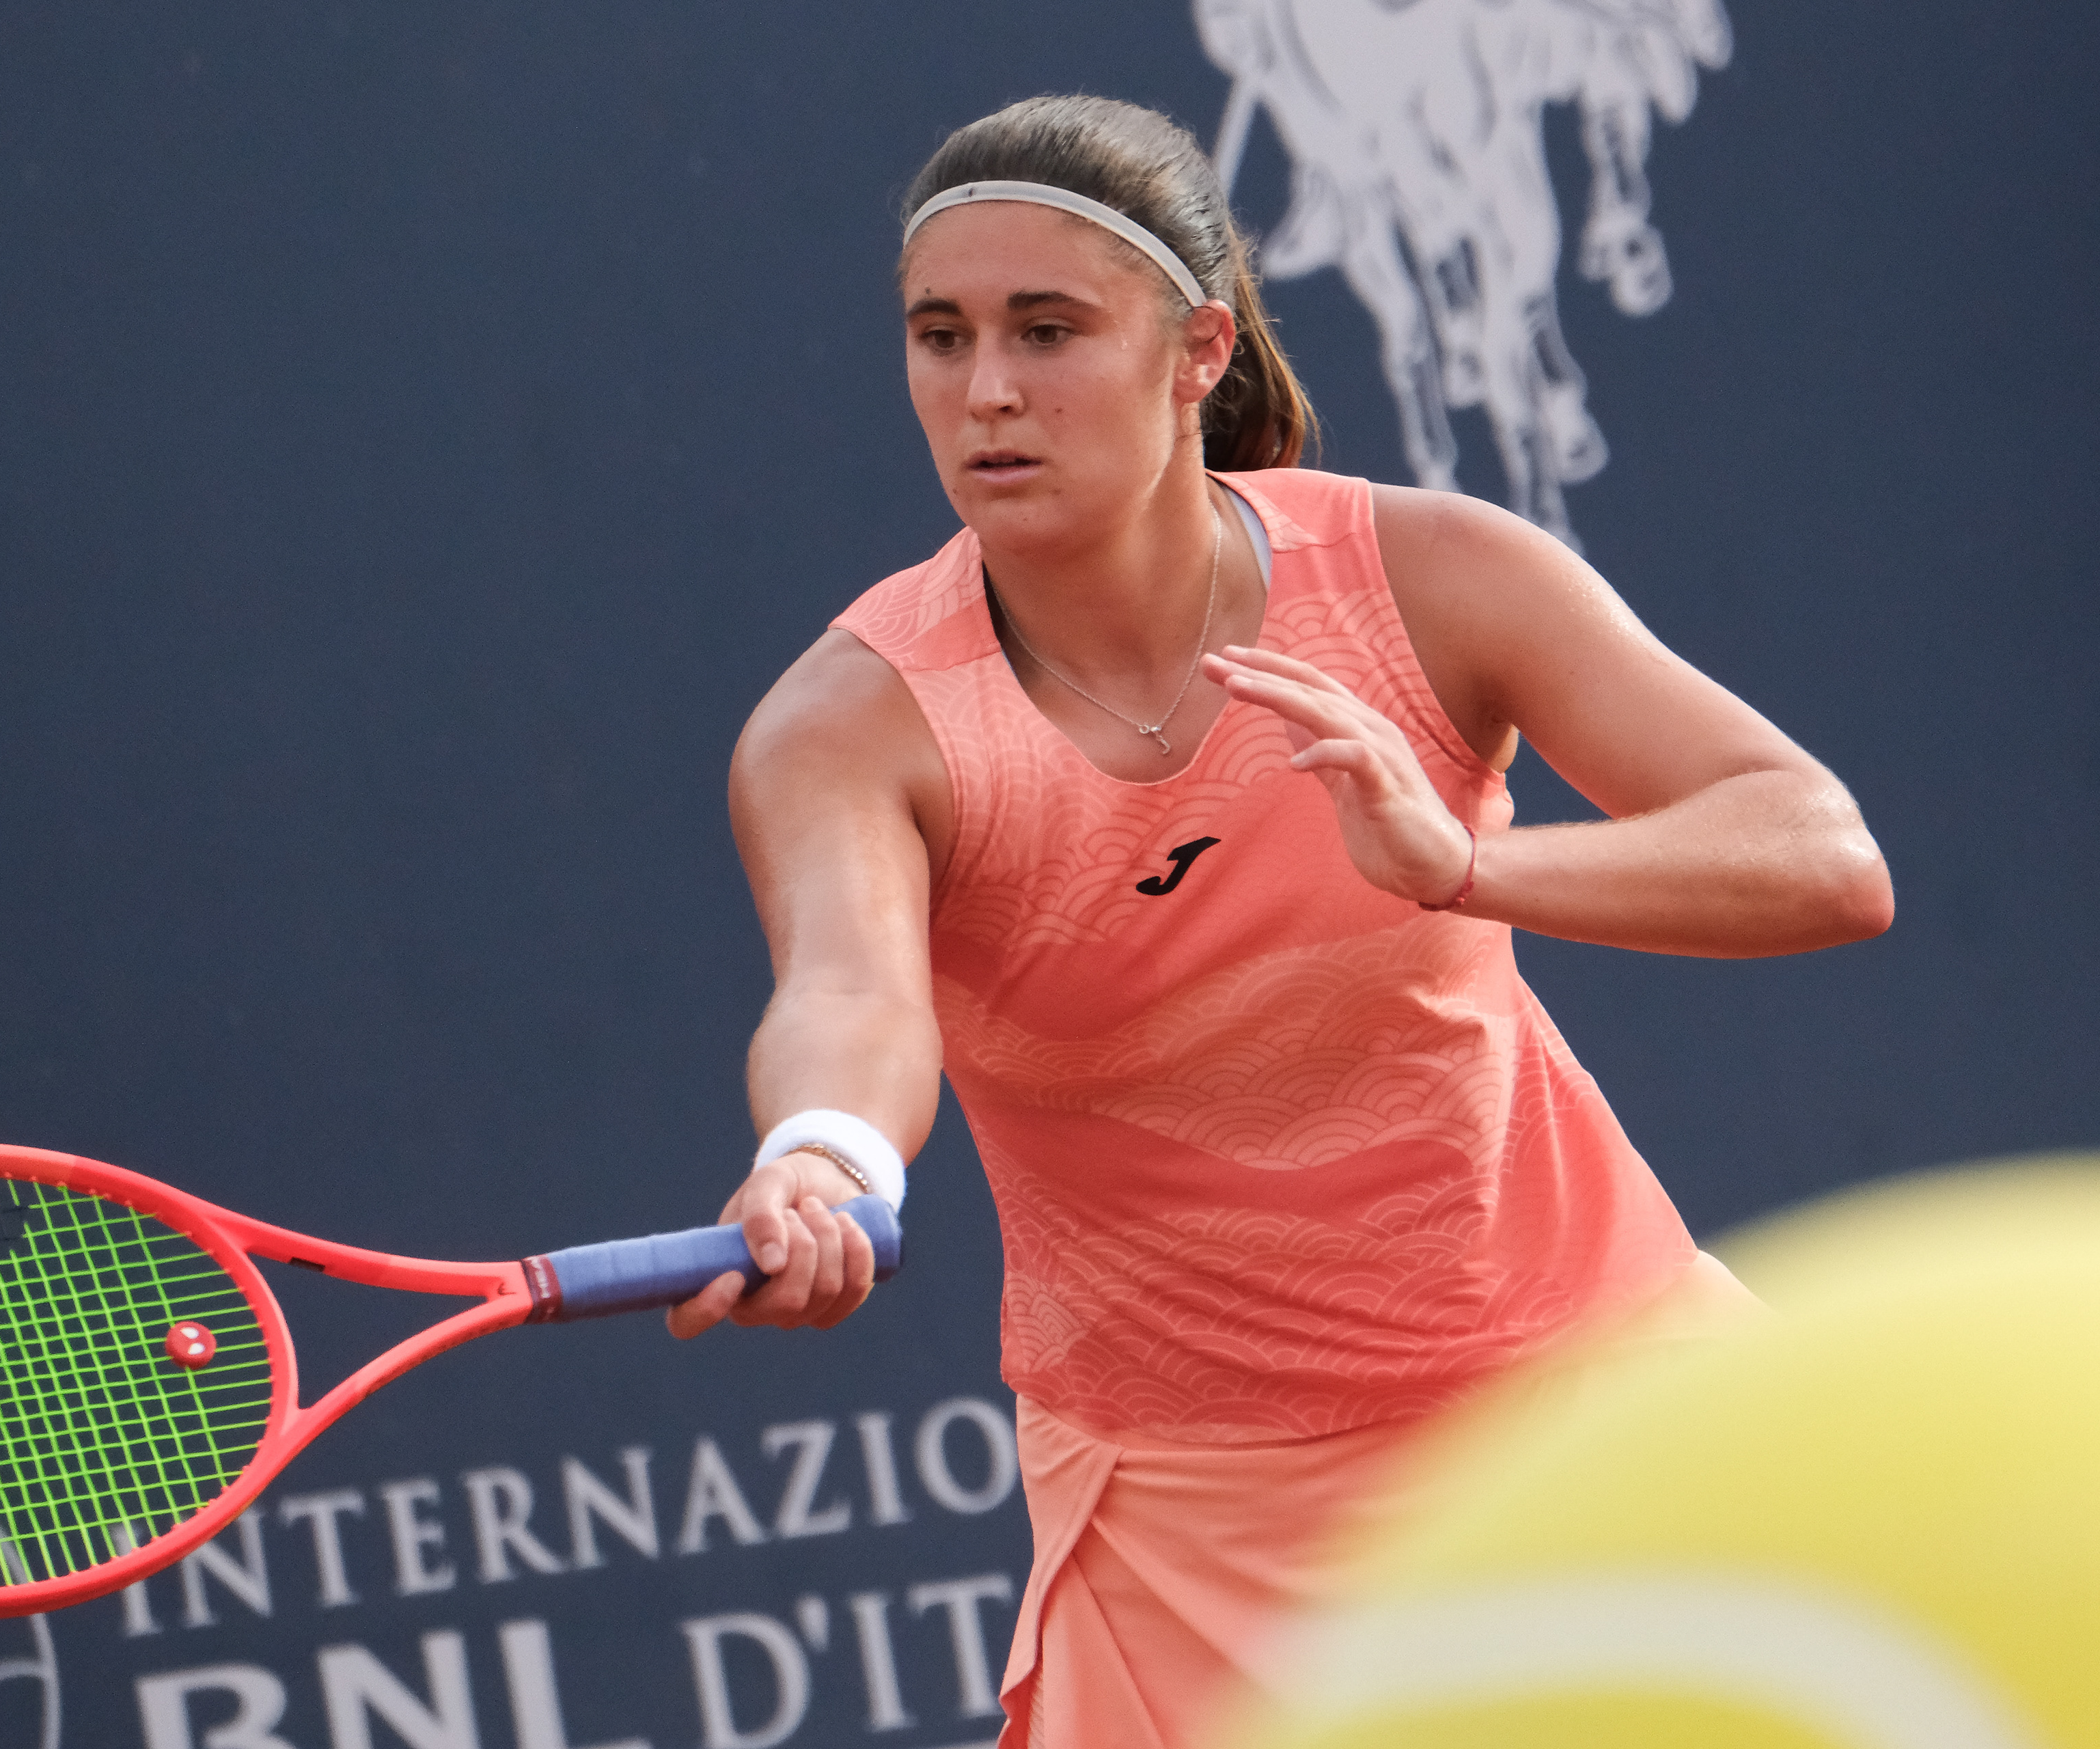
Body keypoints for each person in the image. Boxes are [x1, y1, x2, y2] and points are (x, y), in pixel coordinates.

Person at [667, 94, 1892, 1747]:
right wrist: (826, 1157)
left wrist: (1465, 869)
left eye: (1049, 330)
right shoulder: (851, 723)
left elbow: (1818, 853)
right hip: (1201, 1531)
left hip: (1604, 1405)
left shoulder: (1434, 574)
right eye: (940, 338)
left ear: (1196, 353)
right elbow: (856, 997)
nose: (987, 392)